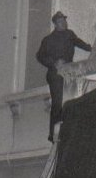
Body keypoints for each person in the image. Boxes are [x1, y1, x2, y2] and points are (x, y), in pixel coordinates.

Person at [36, 11, 92, 142]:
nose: (64, 23)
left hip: (69, 71)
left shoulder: (69, 34)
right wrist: (54, 62)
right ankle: (53, 134)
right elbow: (40, 56)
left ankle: (68, 128)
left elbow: (79, 43)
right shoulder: (48, 40)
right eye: (61, 21)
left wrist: (90, 48)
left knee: (71, 99)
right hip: (55, 73)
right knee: (57, 101)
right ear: (55, 24)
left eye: (65, 21)